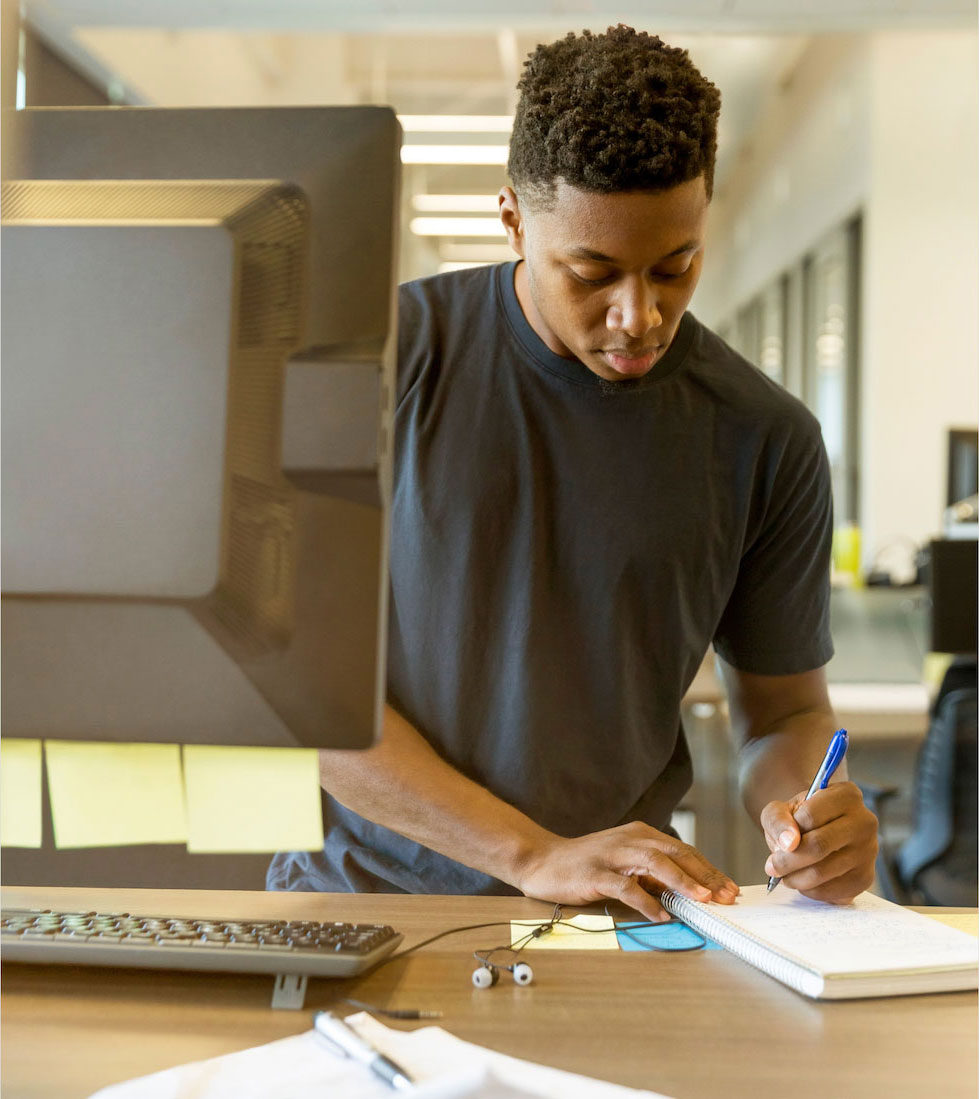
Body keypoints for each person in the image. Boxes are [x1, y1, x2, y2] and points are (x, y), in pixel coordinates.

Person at [268, 25, 878, 920]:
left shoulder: (763, 435)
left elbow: (783, 716)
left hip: (612, 917)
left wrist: (809, 818)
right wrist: (528, 853)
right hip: (362, 904)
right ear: (513, 217)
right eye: (591, 272)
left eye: (675, 267)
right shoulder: (376, 365)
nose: (639, 315)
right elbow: (295, 688)